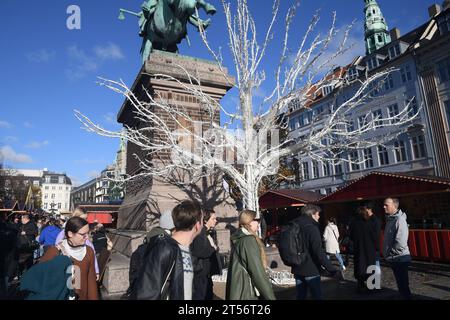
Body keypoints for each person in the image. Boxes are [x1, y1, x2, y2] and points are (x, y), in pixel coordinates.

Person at [133, 200, 203, 300]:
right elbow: (146, 294)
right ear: (197, 225)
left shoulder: (187, 249)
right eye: (202, 220)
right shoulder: (165, 249)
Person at [290, 204, 342, 300]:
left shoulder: (294, 225)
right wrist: (332, 269)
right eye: (318, 214)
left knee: (301, 296)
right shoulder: (311, 228)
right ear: (312, 215)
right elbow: (318, 251)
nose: (319, 217)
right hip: (311, 268)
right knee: (316, 296)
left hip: (297, 266)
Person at [39, 216, 98, 300]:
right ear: (70, 234)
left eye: (87, 233)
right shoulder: (55, 252)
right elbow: (40, 280)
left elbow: (91, 282)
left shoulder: (89, 251)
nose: (87, 237)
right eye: (83, 234)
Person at [225, 210, 275, 300]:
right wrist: (270, 297)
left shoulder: (240, 238)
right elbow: (257, 272)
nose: (259, 223)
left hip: (240, 289)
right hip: (247, 292)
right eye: (258, 220)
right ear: (250, 222)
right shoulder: (248, 240)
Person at [55, 208, 99, 279]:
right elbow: (58, 249)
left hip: (84, 271)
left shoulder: (85, 234)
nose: (85, 221)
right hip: (69, 272)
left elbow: (92, 254)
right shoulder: (63, 234)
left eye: (86, 218)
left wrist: (96, 271)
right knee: (74, 287)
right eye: (82, 219)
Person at [383, 197, 411, 300]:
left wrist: (390, 253)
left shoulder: (399, 220)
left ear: (395, 206)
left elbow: (401, 242)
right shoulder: (391, 219)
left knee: (403, 284)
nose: (384, 207)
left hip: (399, 258)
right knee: (400, 283)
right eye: (384, 204)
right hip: (394, 258)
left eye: (386, 205)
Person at [191, 208, 222, 300]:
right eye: (213, 218)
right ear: (205, 220)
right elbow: (200, 251)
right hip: (201, 273)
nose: (216, 221)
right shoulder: (200, 233)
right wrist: (213, 249)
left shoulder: (207, 232)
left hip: (206, 273)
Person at [350, 206, 379, 293]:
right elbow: (375, 236)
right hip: (369, 250)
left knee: (360, 267)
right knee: (370, 267)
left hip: (358, 249)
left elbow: (351, 236)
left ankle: (360, 286)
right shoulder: (369, 223)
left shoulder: (353, 224)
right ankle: (372, 286)